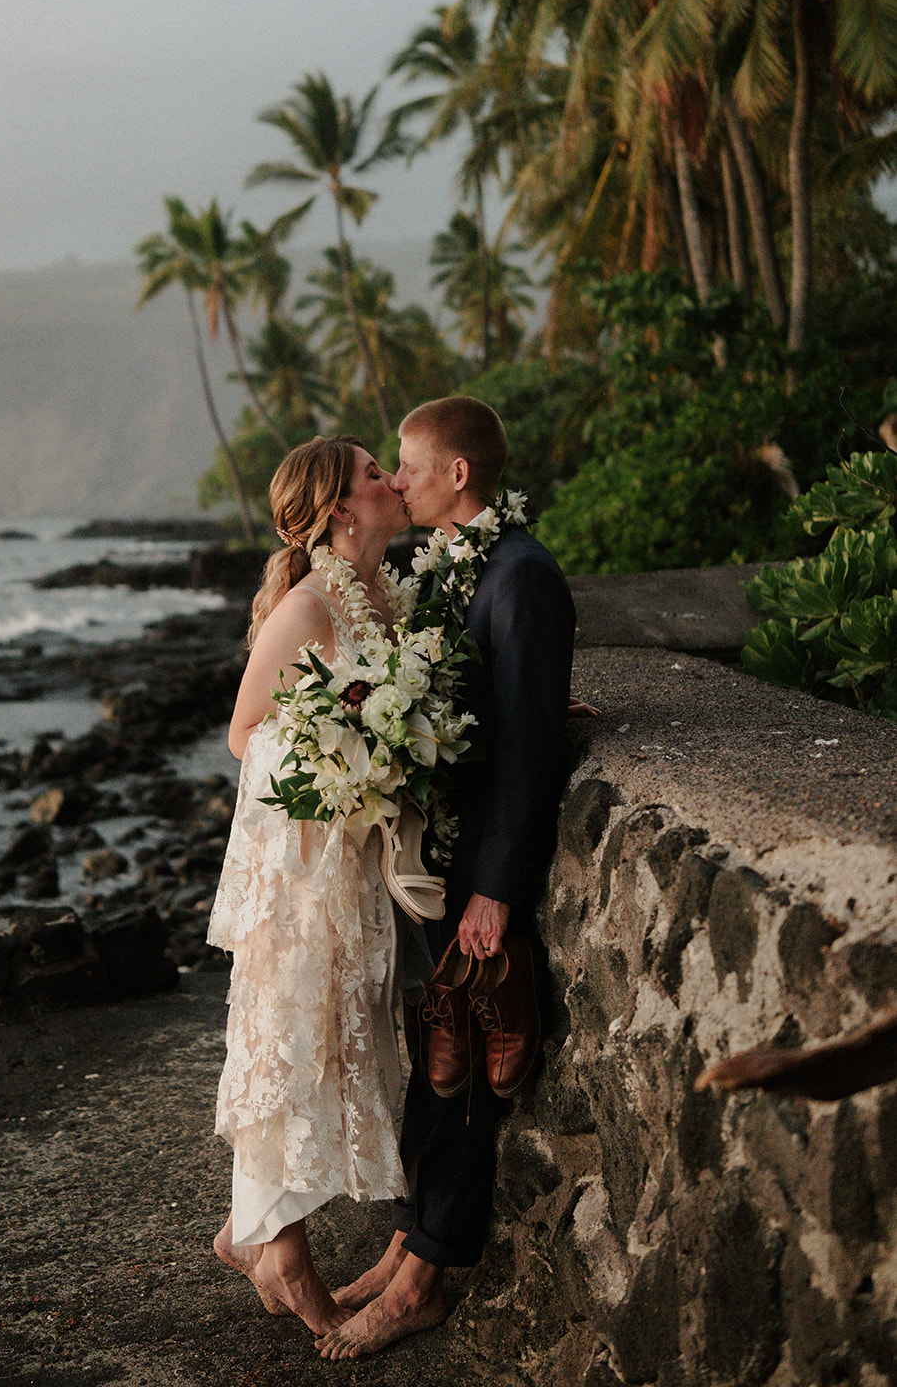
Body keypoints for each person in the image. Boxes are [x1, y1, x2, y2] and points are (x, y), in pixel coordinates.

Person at [319, 396, 577, 1361]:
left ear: (456, 475)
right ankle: (407, 1234)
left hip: (478, 870)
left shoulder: (520, 574)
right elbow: (493, 695)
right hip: (437, 860)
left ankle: (428, 1276)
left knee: (466, 1074)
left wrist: (495, 889)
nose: (396, 479)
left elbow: (523, 756)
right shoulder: (459, 565)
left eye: (408, 466)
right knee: (430, 1062)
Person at [208, 434, 415, 1337]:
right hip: (299, 865)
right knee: (292, 1031)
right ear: (339, 508)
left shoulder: (383, 591)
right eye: (376, 474)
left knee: (339, 1035)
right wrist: (340, 761)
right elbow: (243, 733)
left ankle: (246, 1231)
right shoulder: (304, 604)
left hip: (353, 859)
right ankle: (283, 1252)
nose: (394, 482)